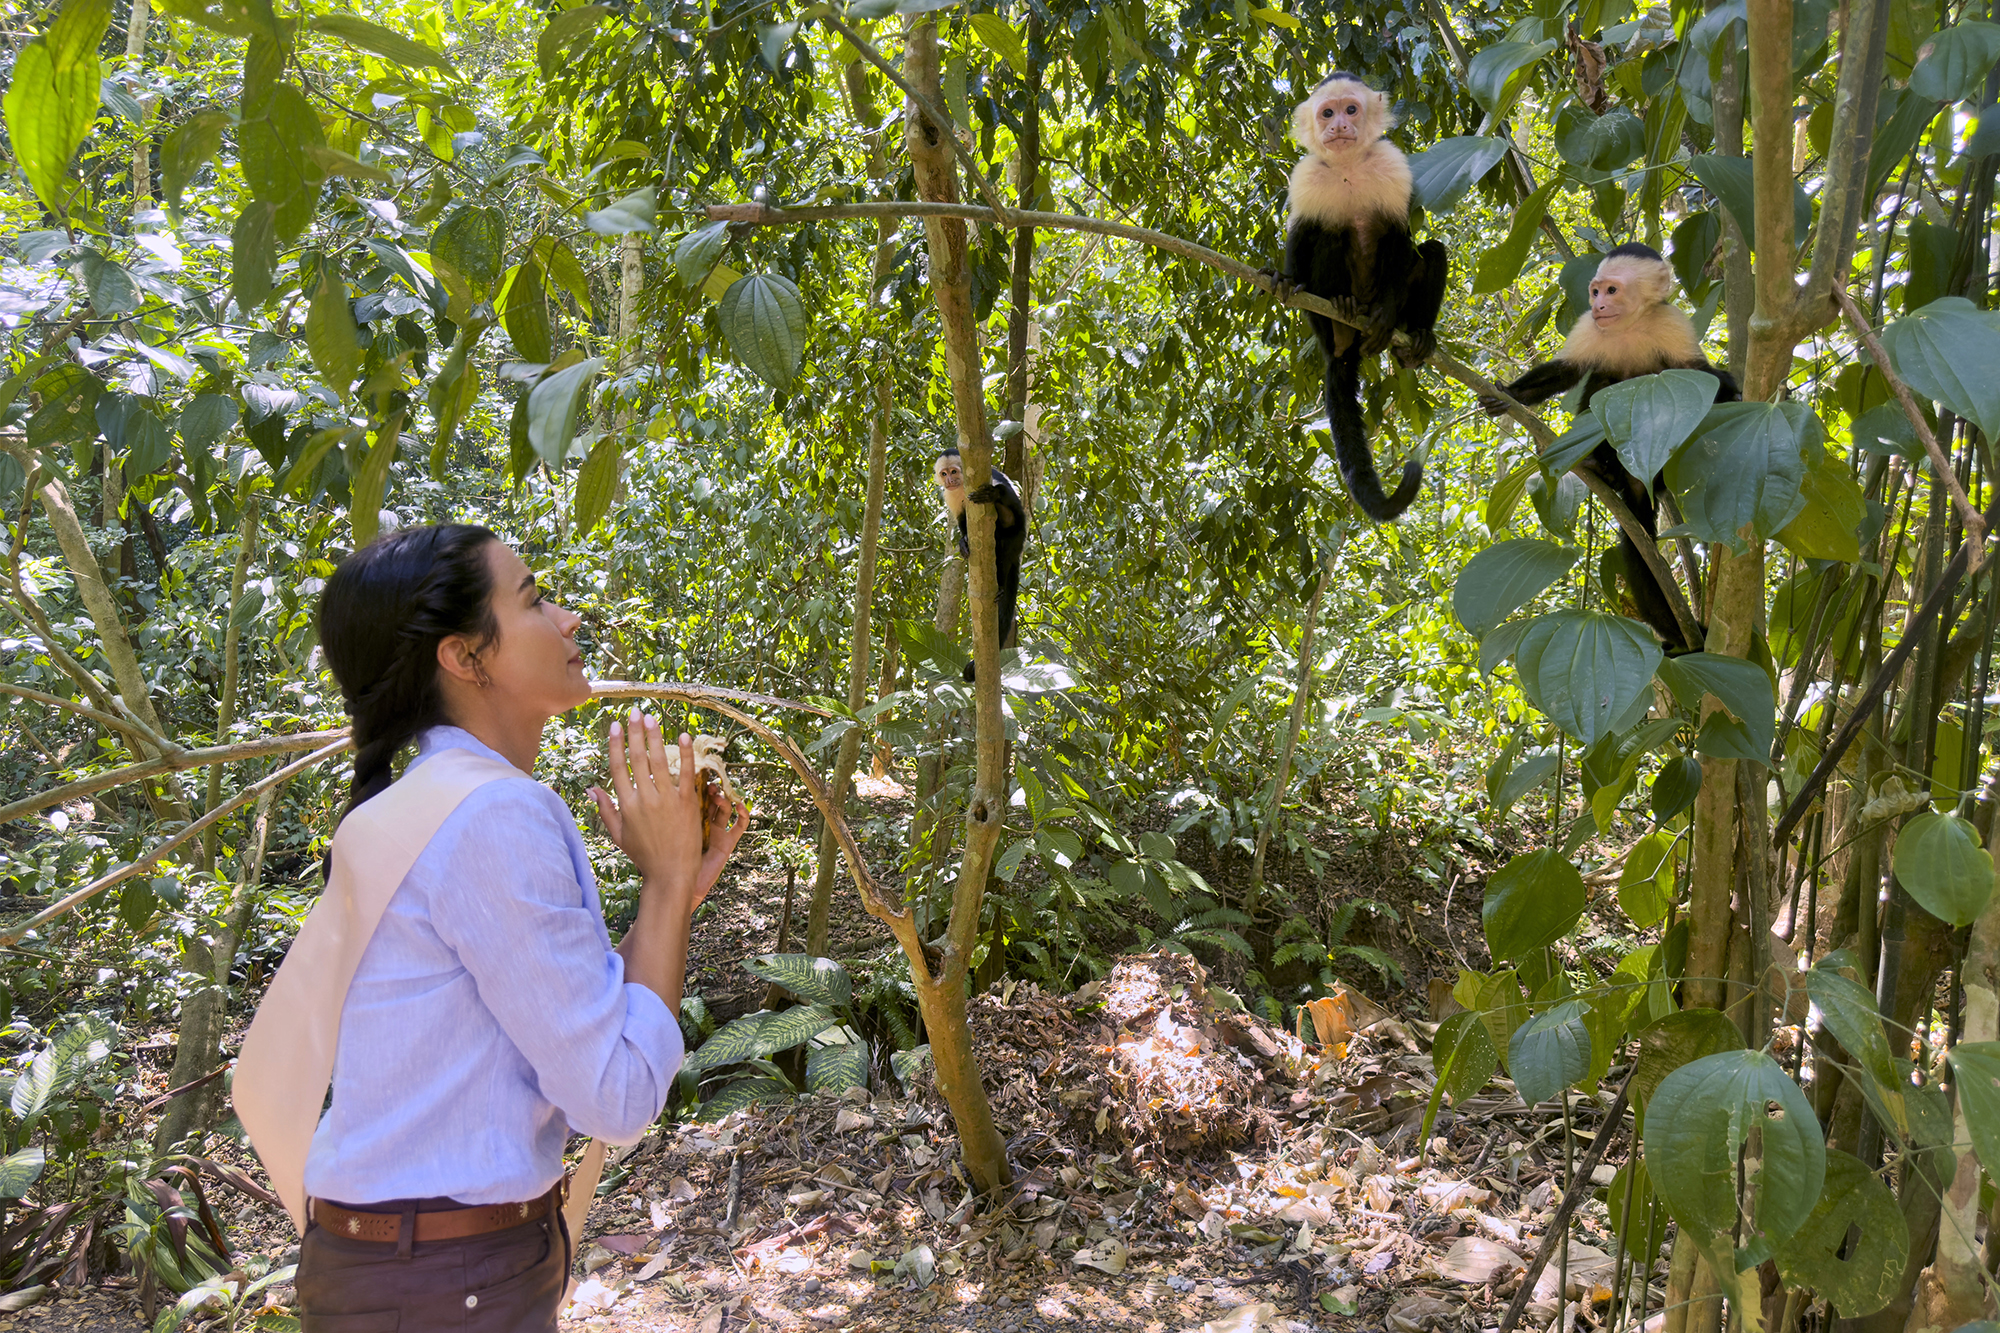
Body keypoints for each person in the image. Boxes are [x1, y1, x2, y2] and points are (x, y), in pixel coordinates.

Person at [283, 523, 746, 1331]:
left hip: (405, 1264)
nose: (568, 618)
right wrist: (666, 882)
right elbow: (617, 1094)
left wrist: (672, 894)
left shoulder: (425, 805)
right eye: (534, 599)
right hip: (440, 1277)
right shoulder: (493, 813)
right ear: (465, 656)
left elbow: (562, 1020)